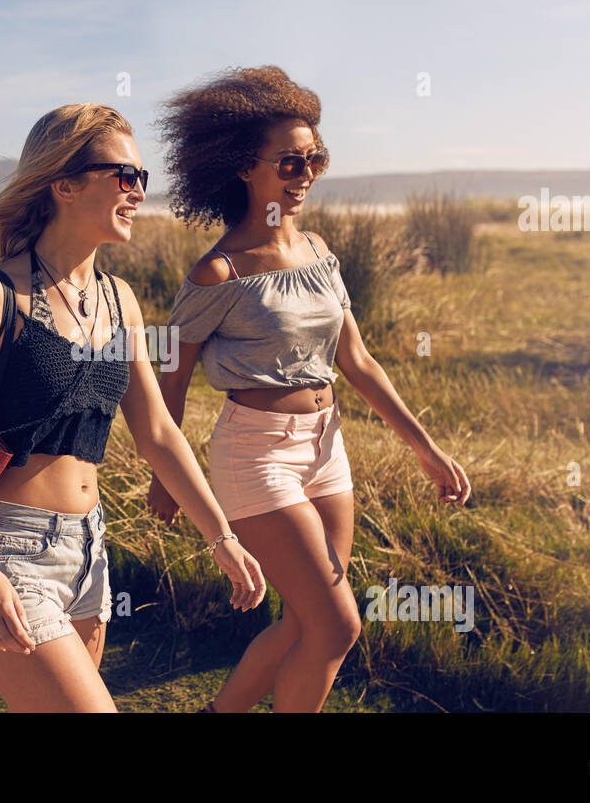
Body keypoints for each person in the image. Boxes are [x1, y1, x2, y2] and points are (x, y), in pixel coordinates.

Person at [0, 103, 266, 712]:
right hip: (8, 548)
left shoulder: (120, 299)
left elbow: (157, 432)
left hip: (88, 551)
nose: (137, 191)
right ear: (65, 183)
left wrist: (221, 537)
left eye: (142, 178)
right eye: (124, 176)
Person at [148, 65, 472, 712]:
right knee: (338, 624)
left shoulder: (320, 251)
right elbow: (170, 379)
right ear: (247, 167)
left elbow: (357, 361)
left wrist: (426, 449)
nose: (307, 174)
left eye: (315, 159)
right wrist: (169, 476)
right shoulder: (219, 272)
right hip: (255, 454)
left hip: (327, 448)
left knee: (304, 621)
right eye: (291, 163)